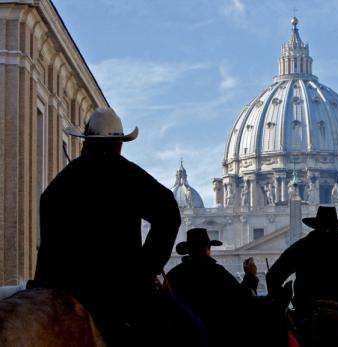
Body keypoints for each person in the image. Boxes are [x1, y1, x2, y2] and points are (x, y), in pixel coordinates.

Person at [31, 107, 205, 346]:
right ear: (119, 144)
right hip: (121, 289)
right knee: (194, 331)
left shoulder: (58, 186)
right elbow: (168, 214)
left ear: (85, 141)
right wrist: (146, 270)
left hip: (62, 287)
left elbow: (48, 248)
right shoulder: (125, 174)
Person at [266, 206, 338, 312]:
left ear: (316, 225)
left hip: (306, 312)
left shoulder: (303, 246)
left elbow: (272, 276)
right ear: (336, 226)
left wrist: (282, 302)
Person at [165, 228, 255, 347]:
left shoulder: (173, 275)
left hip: (181, 341)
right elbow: (243, 300)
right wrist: (250, 275)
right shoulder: (217, 273)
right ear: (208, 249)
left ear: (188, 250)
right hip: (216, 340)